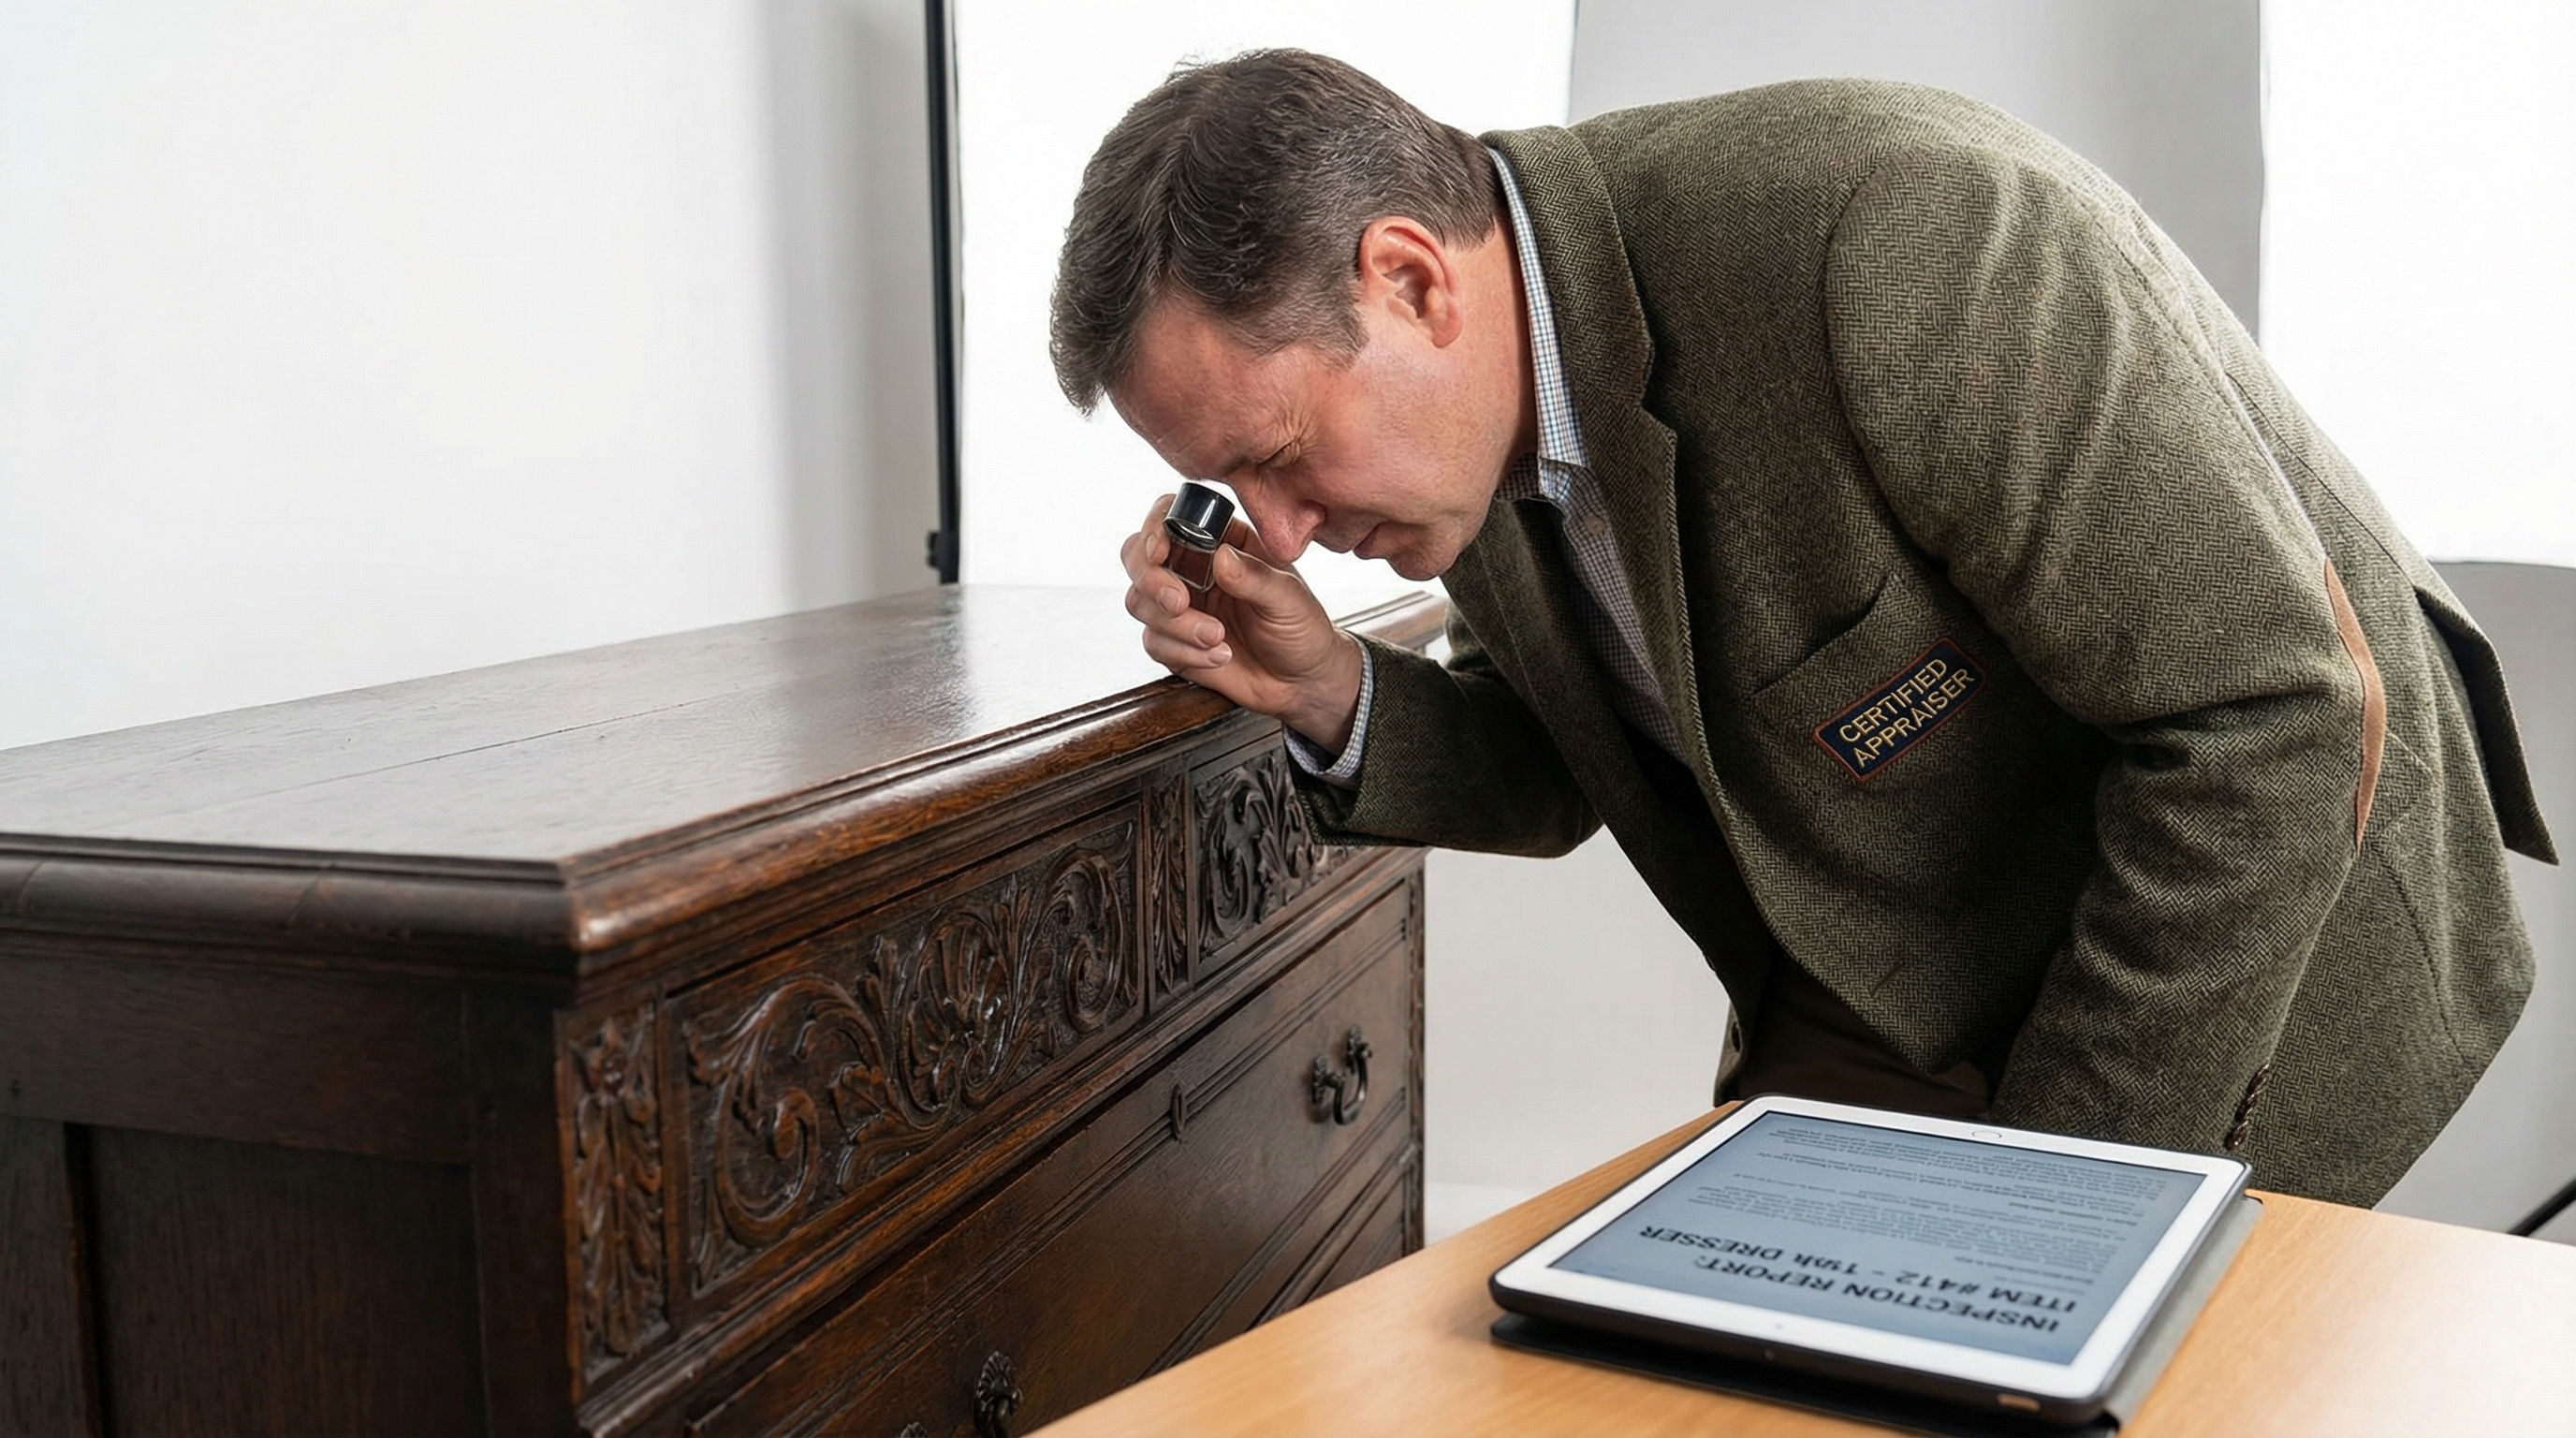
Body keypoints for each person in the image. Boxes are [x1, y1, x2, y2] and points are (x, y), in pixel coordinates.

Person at [1051, 50, 2554, 1206]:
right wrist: (1328, 689)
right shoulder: (1471, 426)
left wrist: (2040, 1206)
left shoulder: (1901, 245)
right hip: (1884, 965)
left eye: (1276, 454)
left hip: (2249, 933)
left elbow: (2272, 723)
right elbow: (1565, 764)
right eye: (1228, 488)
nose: (1286, 532)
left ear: (1409, 279)